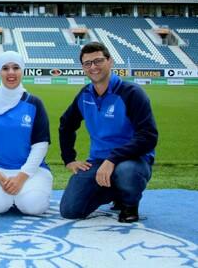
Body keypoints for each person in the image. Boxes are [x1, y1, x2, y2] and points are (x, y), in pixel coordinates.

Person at [59, 41, 158, 223]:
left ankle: (128, 203)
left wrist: (113, 159)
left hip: (132, 160)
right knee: (70, 210)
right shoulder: (85, 94)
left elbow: (149, 136)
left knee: (126, 171)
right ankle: (114, 188)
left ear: (110, 61)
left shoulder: (132, 93)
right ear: (83, 67)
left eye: (98, 61)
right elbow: (66, 124)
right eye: (87, 63)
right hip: (98, 161)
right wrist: (69, 159)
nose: (93, 67)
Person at [0, 51, 53, 215]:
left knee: (33, 207)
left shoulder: (34, 103)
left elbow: (41, 145)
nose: (11, 73)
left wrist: (21, 177)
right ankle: (8, 197)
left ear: (22, 70)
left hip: (30, 171)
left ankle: (21, 196)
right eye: (5, 68)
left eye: (16, 68)